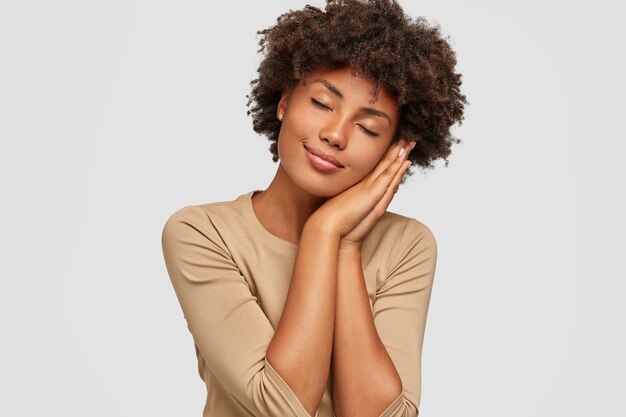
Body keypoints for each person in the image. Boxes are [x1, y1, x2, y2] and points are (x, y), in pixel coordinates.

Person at [161, 1, 467, 416]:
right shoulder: (202, 233)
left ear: (394, 148)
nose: (335, 134)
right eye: (323, 103)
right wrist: (326, 232)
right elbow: (280, 407)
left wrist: (342, 244)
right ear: (285, 101)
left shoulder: (407, 245)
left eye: (368, 127)